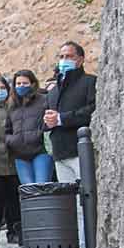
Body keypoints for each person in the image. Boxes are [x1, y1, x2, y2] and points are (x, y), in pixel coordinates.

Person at [44, 42, 97, 184]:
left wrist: (61, 119)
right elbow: (44, 119)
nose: (64, 60)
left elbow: (93, 110)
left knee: (86, 196)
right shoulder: (53, 92)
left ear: (80, 59)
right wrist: (47, 121)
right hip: (60, 153)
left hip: (81, 150)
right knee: (69, 201)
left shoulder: (90, 82)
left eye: (69, 56)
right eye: (61, 56)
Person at [0, 75, 22, 244]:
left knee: (14, 198)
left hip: (13, 157)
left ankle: (14, 230)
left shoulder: (14, 107)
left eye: (2, 88)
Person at [6, 69, 53, 183]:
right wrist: (12, 140)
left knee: (42, 187)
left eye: (25, 83)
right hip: (20, 155)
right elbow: (7, 129)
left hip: (41, 151)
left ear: (32, 84)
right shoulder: (12, 105)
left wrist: (38, 135)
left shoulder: (44, 100)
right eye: (18, 84)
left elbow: (48, 123)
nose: (21, 86)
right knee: (28, 191)